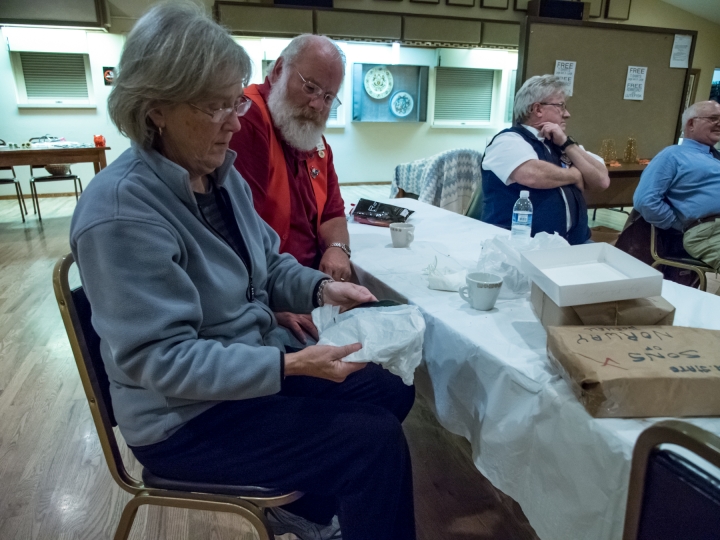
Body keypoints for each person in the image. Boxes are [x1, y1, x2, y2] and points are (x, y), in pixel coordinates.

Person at [70, 5, 416, 540]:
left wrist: (323, 287)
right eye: (217, 106)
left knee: (389, 389)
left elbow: (269, 262)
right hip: (184, 420)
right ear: (155, 107)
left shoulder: (216, 173)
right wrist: (289, 365)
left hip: (246, 376)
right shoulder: (122, 212)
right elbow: (160, 360)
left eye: (235, 101)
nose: (236, 120)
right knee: (370, 443)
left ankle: (307, 512)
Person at [229, 34, 349, 345]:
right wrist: (267, 311)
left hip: (304, 285)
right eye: (310, 88)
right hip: (271, 297)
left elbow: (334, 212)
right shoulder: (246, 120)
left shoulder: (311, 138)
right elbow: (238, 240)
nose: (316, 105)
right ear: (279, 69)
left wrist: (338, 248)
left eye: (327, 97)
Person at [477, 74, 609, 244]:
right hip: (521, 247)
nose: (567, 114)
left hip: (575, 243)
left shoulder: (561, 143)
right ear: (538, 109)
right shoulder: (507, 141)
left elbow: (601, 181)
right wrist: (575, 175)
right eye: (561, 106)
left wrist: (566, 143)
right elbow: (533, 175)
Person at [633, 100, 720, 276]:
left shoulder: (714, 157)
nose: (719, 123)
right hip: (707, 231)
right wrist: (680, 224)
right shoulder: (672, 155)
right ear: (691, 123)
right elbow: (645, 201)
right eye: (713, 118)